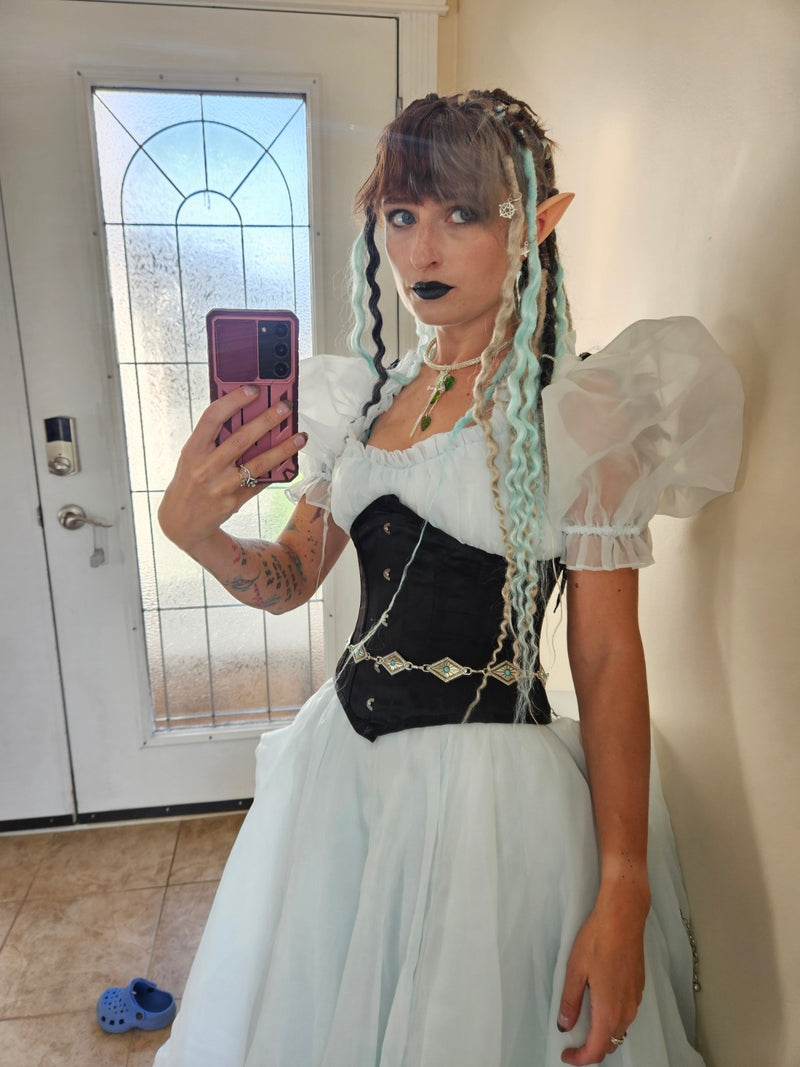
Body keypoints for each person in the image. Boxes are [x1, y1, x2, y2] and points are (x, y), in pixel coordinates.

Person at [154, 90, 743, 1066]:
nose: (421, 249)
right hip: (340, 775)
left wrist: (623, 882)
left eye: (462, 213)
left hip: (489, 810)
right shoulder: (362, 402)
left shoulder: (581, 413)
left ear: (537, 222)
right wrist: (190, 531)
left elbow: (604, 654)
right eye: (401, 214)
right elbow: (289, 576)